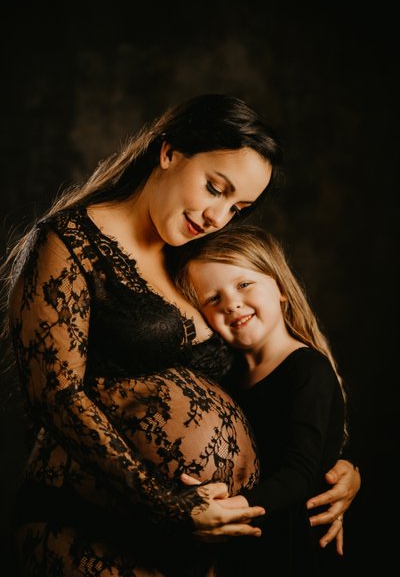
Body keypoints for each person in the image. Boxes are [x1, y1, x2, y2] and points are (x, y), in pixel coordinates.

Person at [0, 93, 360, 576]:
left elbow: (256, 382)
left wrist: (333, 466)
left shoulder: (195, 258)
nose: (218, 216)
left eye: (238, 207)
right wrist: (169, 506)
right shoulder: (68, 243)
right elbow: (57, 395)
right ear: (169, 153)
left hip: (201, 543)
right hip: (92, 524)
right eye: (215, 187)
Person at [173, 223, 357, 575]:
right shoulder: (229, 378)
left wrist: (230, 507)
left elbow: (300, 473)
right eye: (214, 298)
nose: (232, 303)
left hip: (292, 546)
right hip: (246, 544)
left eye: (244, 284)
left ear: (281, 288)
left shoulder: (308, 369)